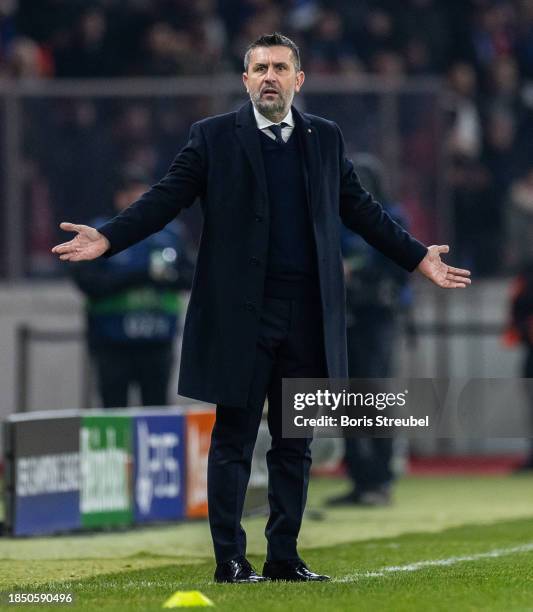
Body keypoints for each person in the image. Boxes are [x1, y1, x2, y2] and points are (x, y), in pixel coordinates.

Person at [52, 33, 471, 583]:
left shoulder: (325, 138)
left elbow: (363, 211)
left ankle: (284, 556)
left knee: (296, 443)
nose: (269, 76)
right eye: (259, 68)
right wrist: (109, 239)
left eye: (280, 67)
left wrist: (417, 257)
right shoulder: (213, 137)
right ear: (245, 79)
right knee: (235, 436)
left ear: (299, 80)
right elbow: (163, 198)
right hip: (241, 316)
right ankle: (230, 558)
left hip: (308, 313)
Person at [71, 166, 194, 408]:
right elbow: (87, 282)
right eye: (132, 194)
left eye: (144, 194)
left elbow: (191, 276)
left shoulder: (171, 234)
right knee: (114, 412)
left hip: (157, 340)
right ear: (120, 197)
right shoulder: (99, 234)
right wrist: (139, 277)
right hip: (112, 341)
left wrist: (165, 277)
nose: (140, 200)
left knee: (157, 413)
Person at [327, 155, 410, 507]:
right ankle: (360, 479)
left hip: (377, 316)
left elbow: (400, 266)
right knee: (344, 398)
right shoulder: (334, 219)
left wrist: (366, 280)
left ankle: (380, 478)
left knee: (373, 395)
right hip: (342, 315)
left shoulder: (390, 217)